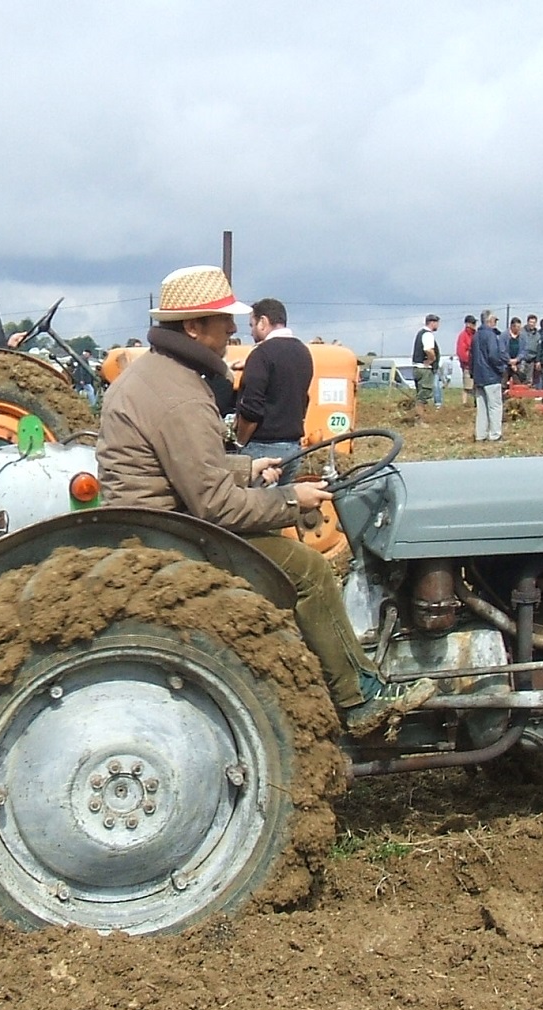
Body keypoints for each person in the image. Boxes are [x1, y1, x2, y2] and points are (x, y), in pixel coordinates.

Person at [96, 265, 434, 736]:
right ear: (192, 327)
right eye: (223, 321)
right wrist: (292, 498)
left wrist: (248, 469)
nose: (232, 329)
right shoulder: (182, 397)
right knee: (310, 570)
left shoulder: (152, 376)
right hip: (171, 538)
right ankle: (358, 699)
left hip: (151, 523)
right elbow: (215, 506)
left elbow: (179, 464)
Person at [234, 298, 314, 464]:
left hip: (262, 447)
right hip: (293, 449)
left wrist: (240, 443)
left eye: (252, 325)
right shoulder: (303, 352)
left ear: (263, 322)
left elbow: (252, 409)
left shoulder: (261, 354)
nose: (251, 332)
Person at [471, 304, 510, 442]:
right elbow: (493, 355)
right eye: (495, 320)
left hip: (479, 377)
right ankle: (495, 435)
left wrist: (473, 374)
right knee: (495, 406)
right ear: (490, 320)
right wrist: (501, 369)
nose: (495, 323)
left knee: (481, 408)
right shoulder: (491, 335)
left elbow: (471, 357)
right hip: (491, 376)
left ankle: (480, 435)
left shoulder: (475, 336)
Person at [408, 314, 441, 411]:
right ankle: (419, 415)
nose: (438, 325)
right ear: (432, 323)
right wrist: (432, 359)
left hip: (417, 368)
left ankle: (419, 414)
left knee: (421, 393)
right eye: (437, 323)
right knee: (424, 394)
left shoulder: (420, 333)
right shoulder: (427, 334)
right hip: (424, 369)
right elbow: (428, 349)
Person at [456, 316, 477, 405]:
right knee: (467, 386)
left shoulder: (476, 334)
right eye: (473, 323)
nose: (475, 325)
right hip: (467, 366)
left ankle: (476, 403)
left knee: (477, 386)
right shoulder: (463, 336)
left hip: (477, 365)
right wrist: (469, 361)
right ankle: (464, 403)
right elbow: (461, 352)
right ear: (468, 324)